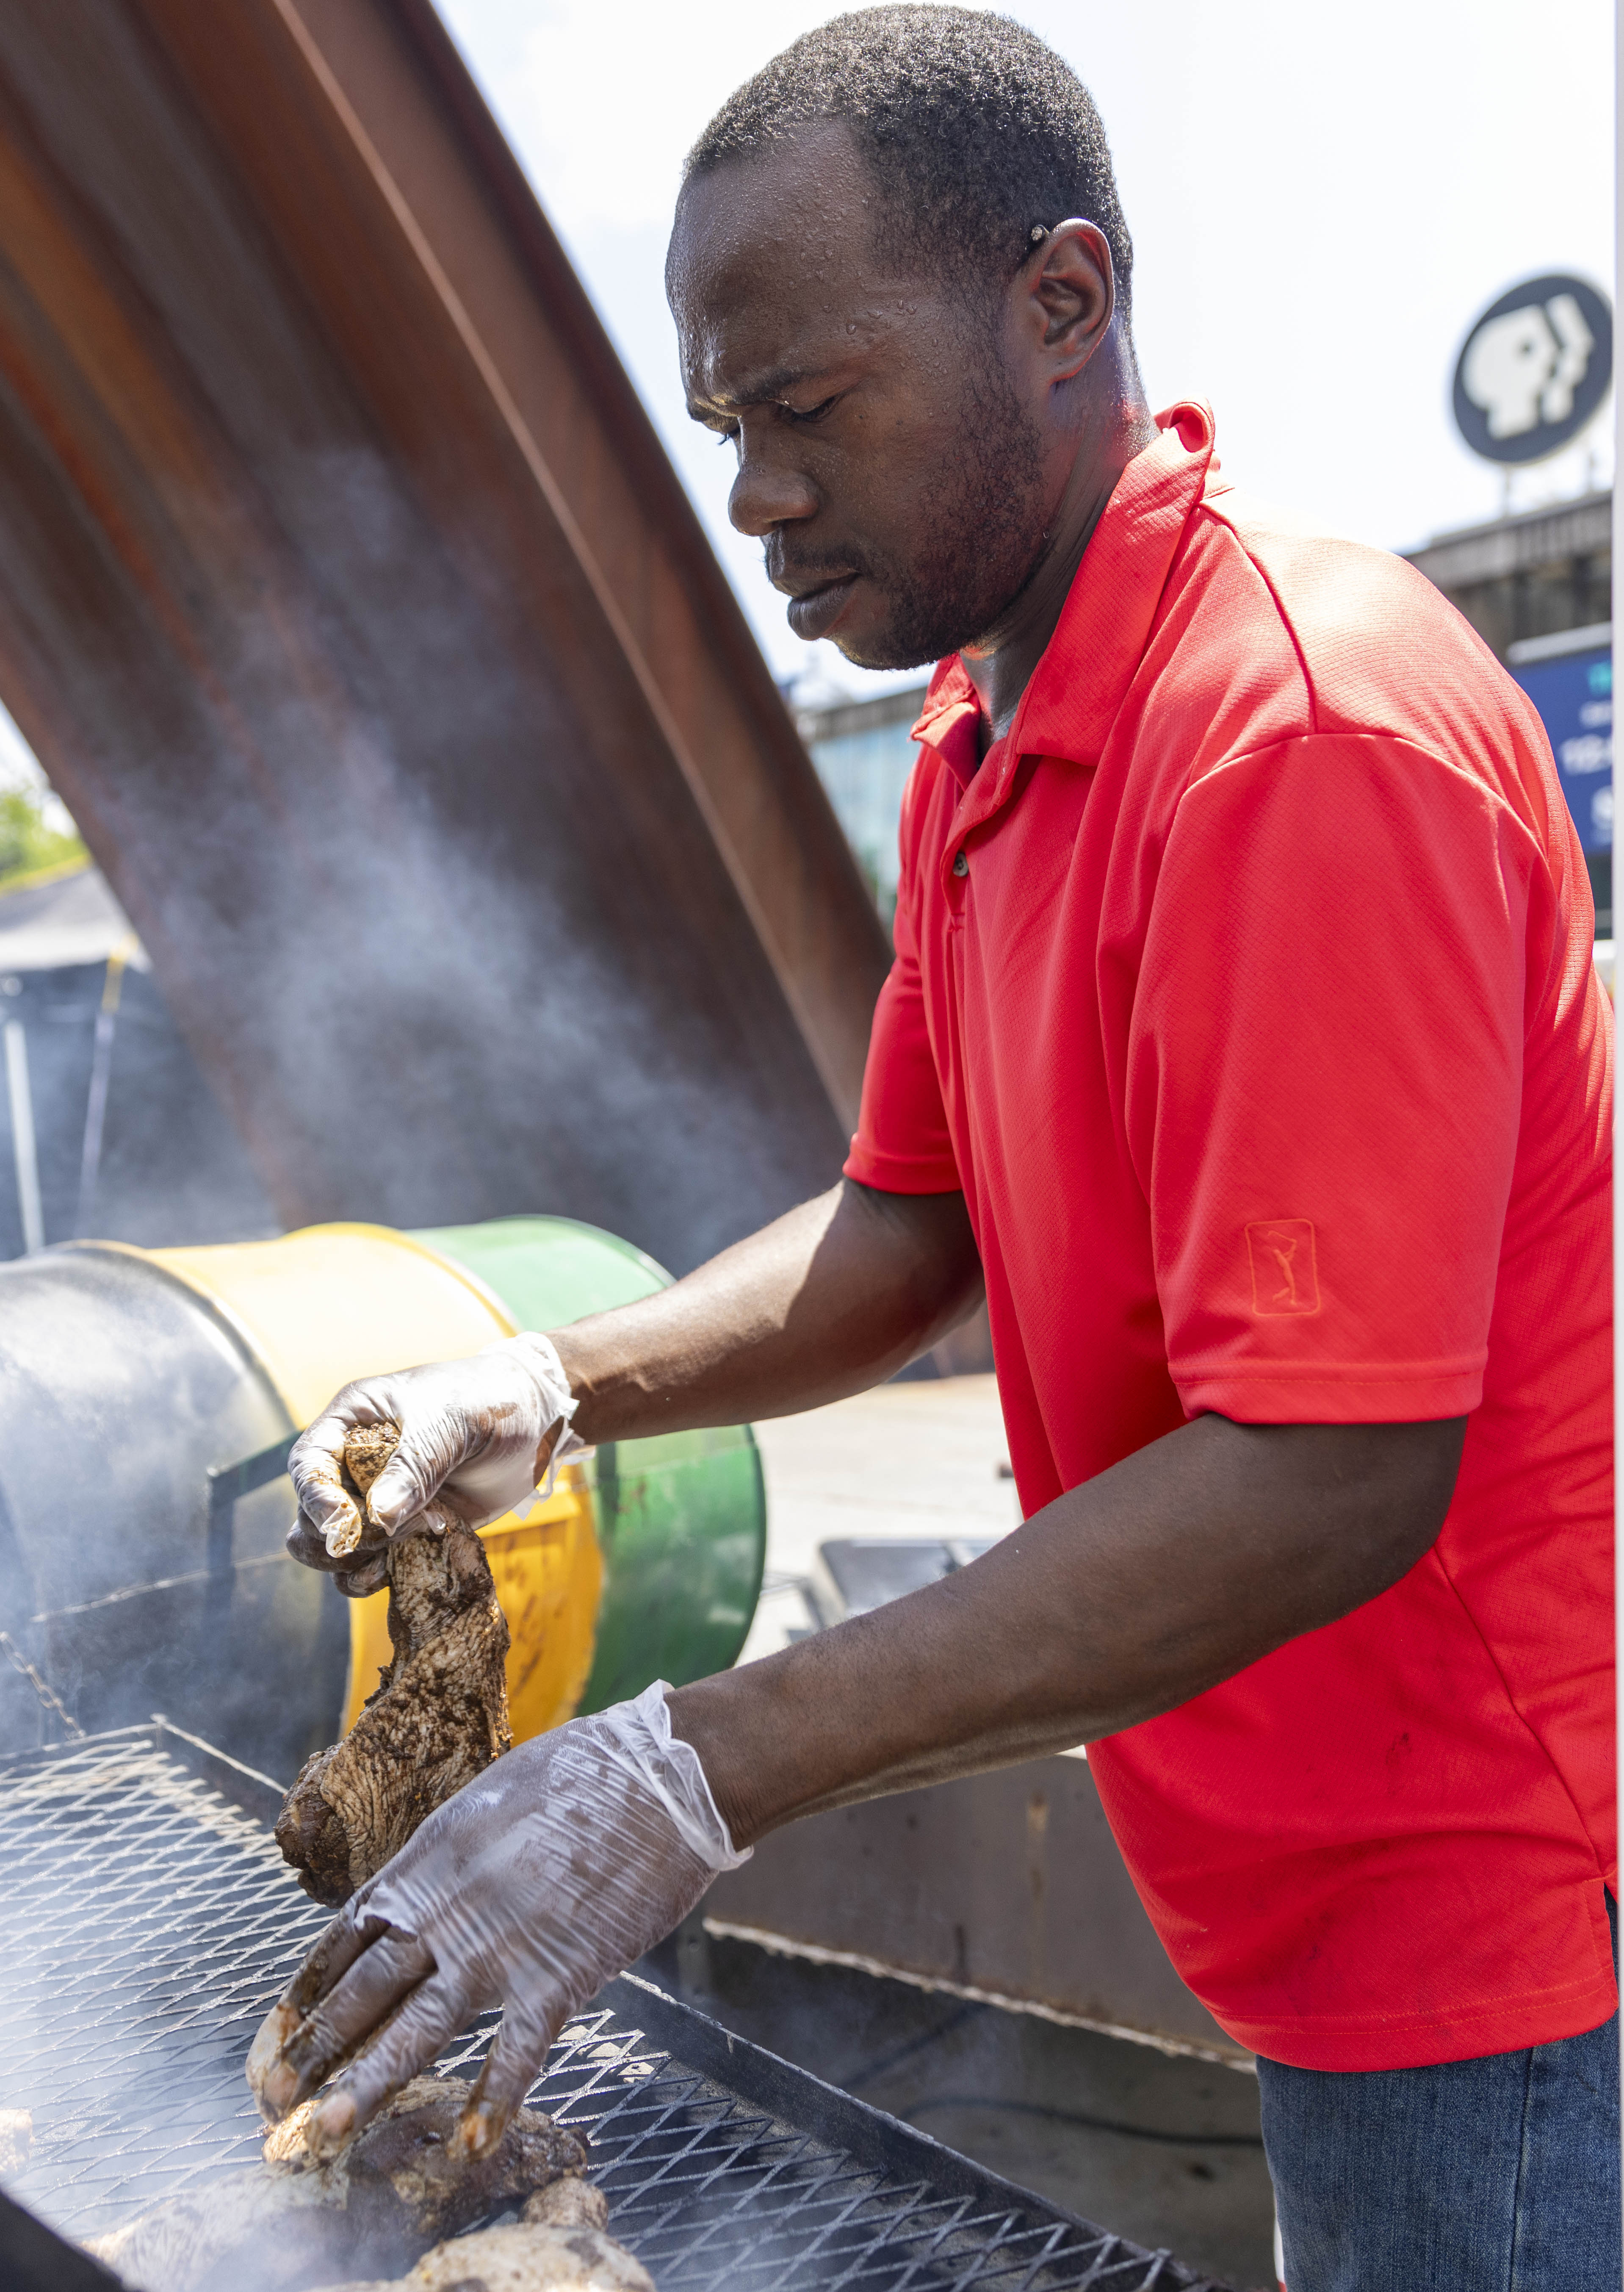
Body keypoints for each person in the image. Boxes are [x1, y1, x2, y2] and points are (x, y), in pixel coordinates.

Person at [251, 11, 1617, 2284]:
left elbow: (1330, 1467)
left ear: (1061, 307)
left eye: (806, 408)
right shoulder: (991, 727)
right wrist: (555, 1390)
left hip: (1470, 1925)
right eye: (727, 431)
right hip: (1279, 1877)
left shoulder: (1295, 735)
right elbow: (914, 1221)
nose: (759, 497)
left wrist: (689, 1771)